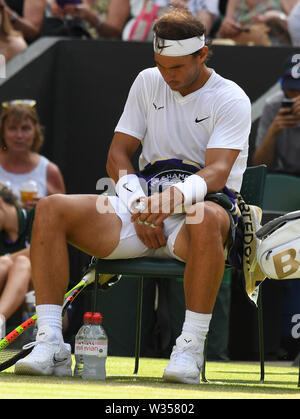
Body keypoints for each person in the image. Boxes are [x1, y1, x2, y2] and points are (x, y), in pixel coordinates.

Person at [14, 8, 251, 384]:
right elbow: (118, 155)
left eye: (175, 67)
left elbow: (218, 172)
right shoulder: (148, 81)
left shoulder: (231, 98)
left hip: (199, 214)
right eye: (159, 65)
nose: (166, 75)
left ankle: (189, 349)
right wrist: (138, 205)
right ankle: (52, 343)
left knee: (205, 216)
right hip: (141, 207)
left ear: (202, 55)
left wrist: (166, 203)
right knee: (51, 207)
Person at [0, 99, 66, 208]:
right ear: (2, 132)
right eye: (12, 128)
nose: (19, 135)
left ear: (35, 132)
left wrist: (47, 207)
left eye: (25, 128)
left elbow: (64, 215)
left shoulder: (50, 171)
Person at [252, 54, 300, 175]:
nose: (296, 98)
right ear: (284, 87)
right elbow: (259, 166)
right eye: (292, 91)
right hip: (283, 177)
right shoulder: (273, 105)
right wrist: (273, 131)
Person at [0, 184, 34, 340]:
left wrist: (7, 258)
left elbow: (43, 251)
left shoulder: (37, 217)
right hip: (13, 310)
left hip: (47, 305)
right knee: (5, 265)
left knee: (21, 262)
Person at [217, 0, 298, 46]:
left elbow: (297, 29)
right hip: (239, 50)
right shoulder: (234, 1)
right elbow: (223, 31)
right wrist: (229, 28)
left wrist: (276, 16)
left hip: (275, 52)